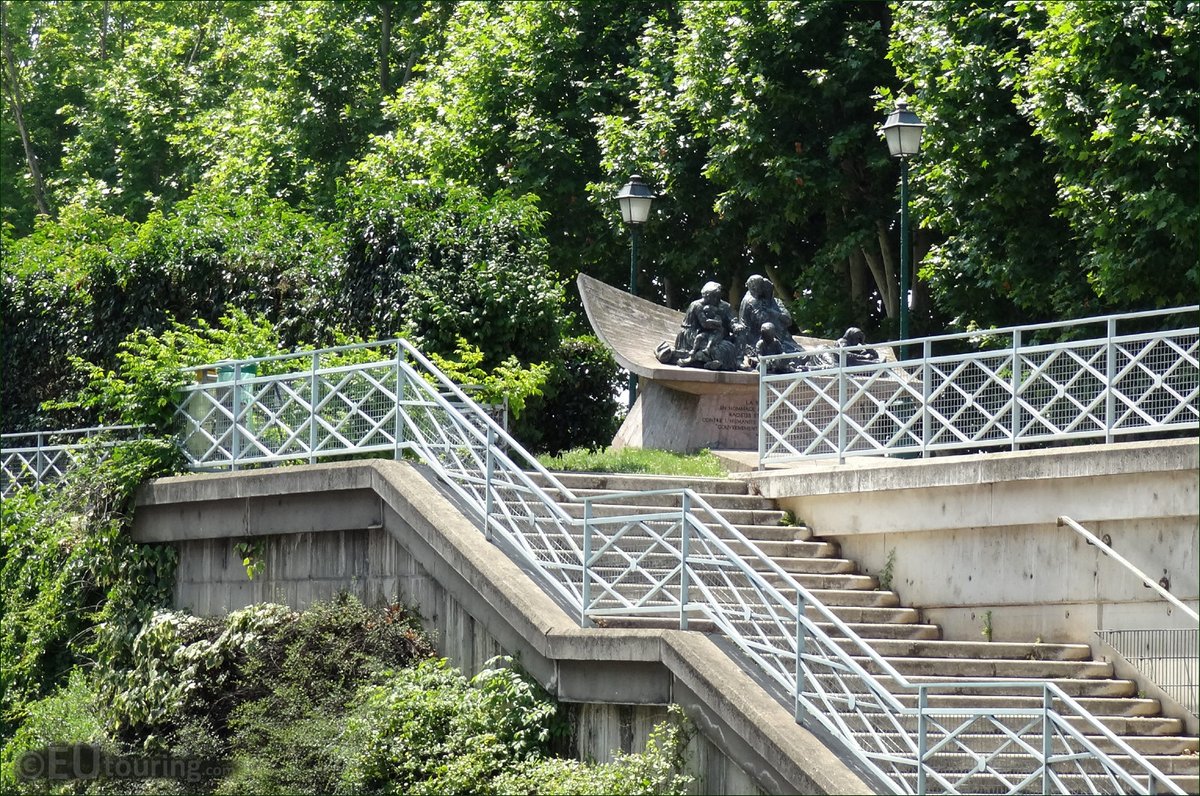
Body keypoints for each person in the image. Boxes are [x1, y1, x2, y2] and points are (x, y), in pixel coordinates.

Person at [675, 282, 744, 370]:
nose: (716, 299)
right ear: (706, 296)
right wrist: (719, 326)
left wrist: (735, 326)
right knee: (717, 347)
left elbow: (732, 320)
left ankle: (738, 362)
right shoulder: (697, 305)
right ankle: (700, 360)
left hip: (716, 335)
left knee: (729, 343)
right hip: (693, 334)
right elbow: (704, 324)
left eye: (717, 296)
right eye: (713, 296)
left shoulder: (725, 306)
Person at [739, 275, 802, 354]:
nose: (767, 290)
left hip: (781, 338)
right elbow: (761, 320)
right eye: (763, 287)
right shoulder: (751, 301)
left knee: (795, 351)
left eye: (769, 287)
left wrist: (773, 313)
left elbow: (788, 321)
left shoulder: (776, 302)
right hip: (758, 339)